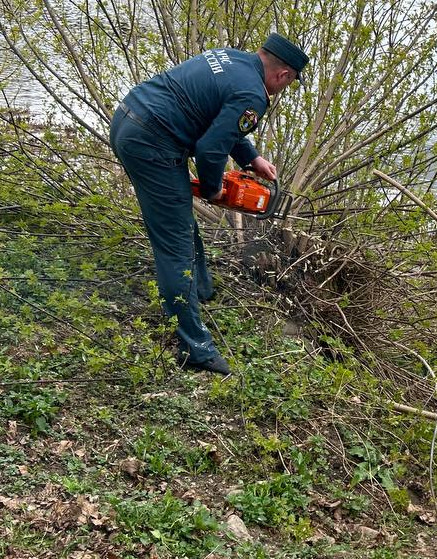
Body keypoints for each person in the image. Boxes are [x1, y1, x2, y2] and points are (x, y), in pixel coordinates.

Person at [109, 33, 309, 376]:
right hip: (152, 142)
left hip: (129, 119)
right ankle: (195, 348)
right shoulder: (253, 94)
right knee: (176, 245)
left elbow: (219, 118)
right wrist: (216, 189)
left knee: (179, 224)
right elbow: (210, 149)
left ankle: (199, 291)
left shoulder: (229, 57)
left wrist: (252, 157)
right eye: (289, 82)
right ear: (284, 75)